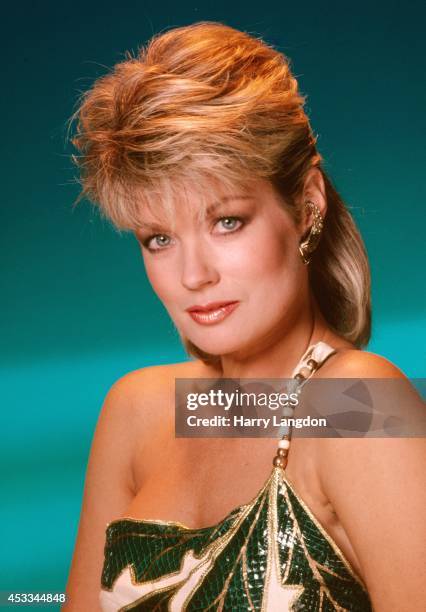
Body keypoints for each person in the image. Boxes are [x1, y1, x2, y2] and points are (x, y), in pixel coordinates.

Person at [63, 22, 425, 611]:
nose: (193, 275)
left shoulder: (359, 405)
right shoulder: (139, 409)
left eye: (226, 221)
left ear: (306, 206)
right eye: (158, 238)